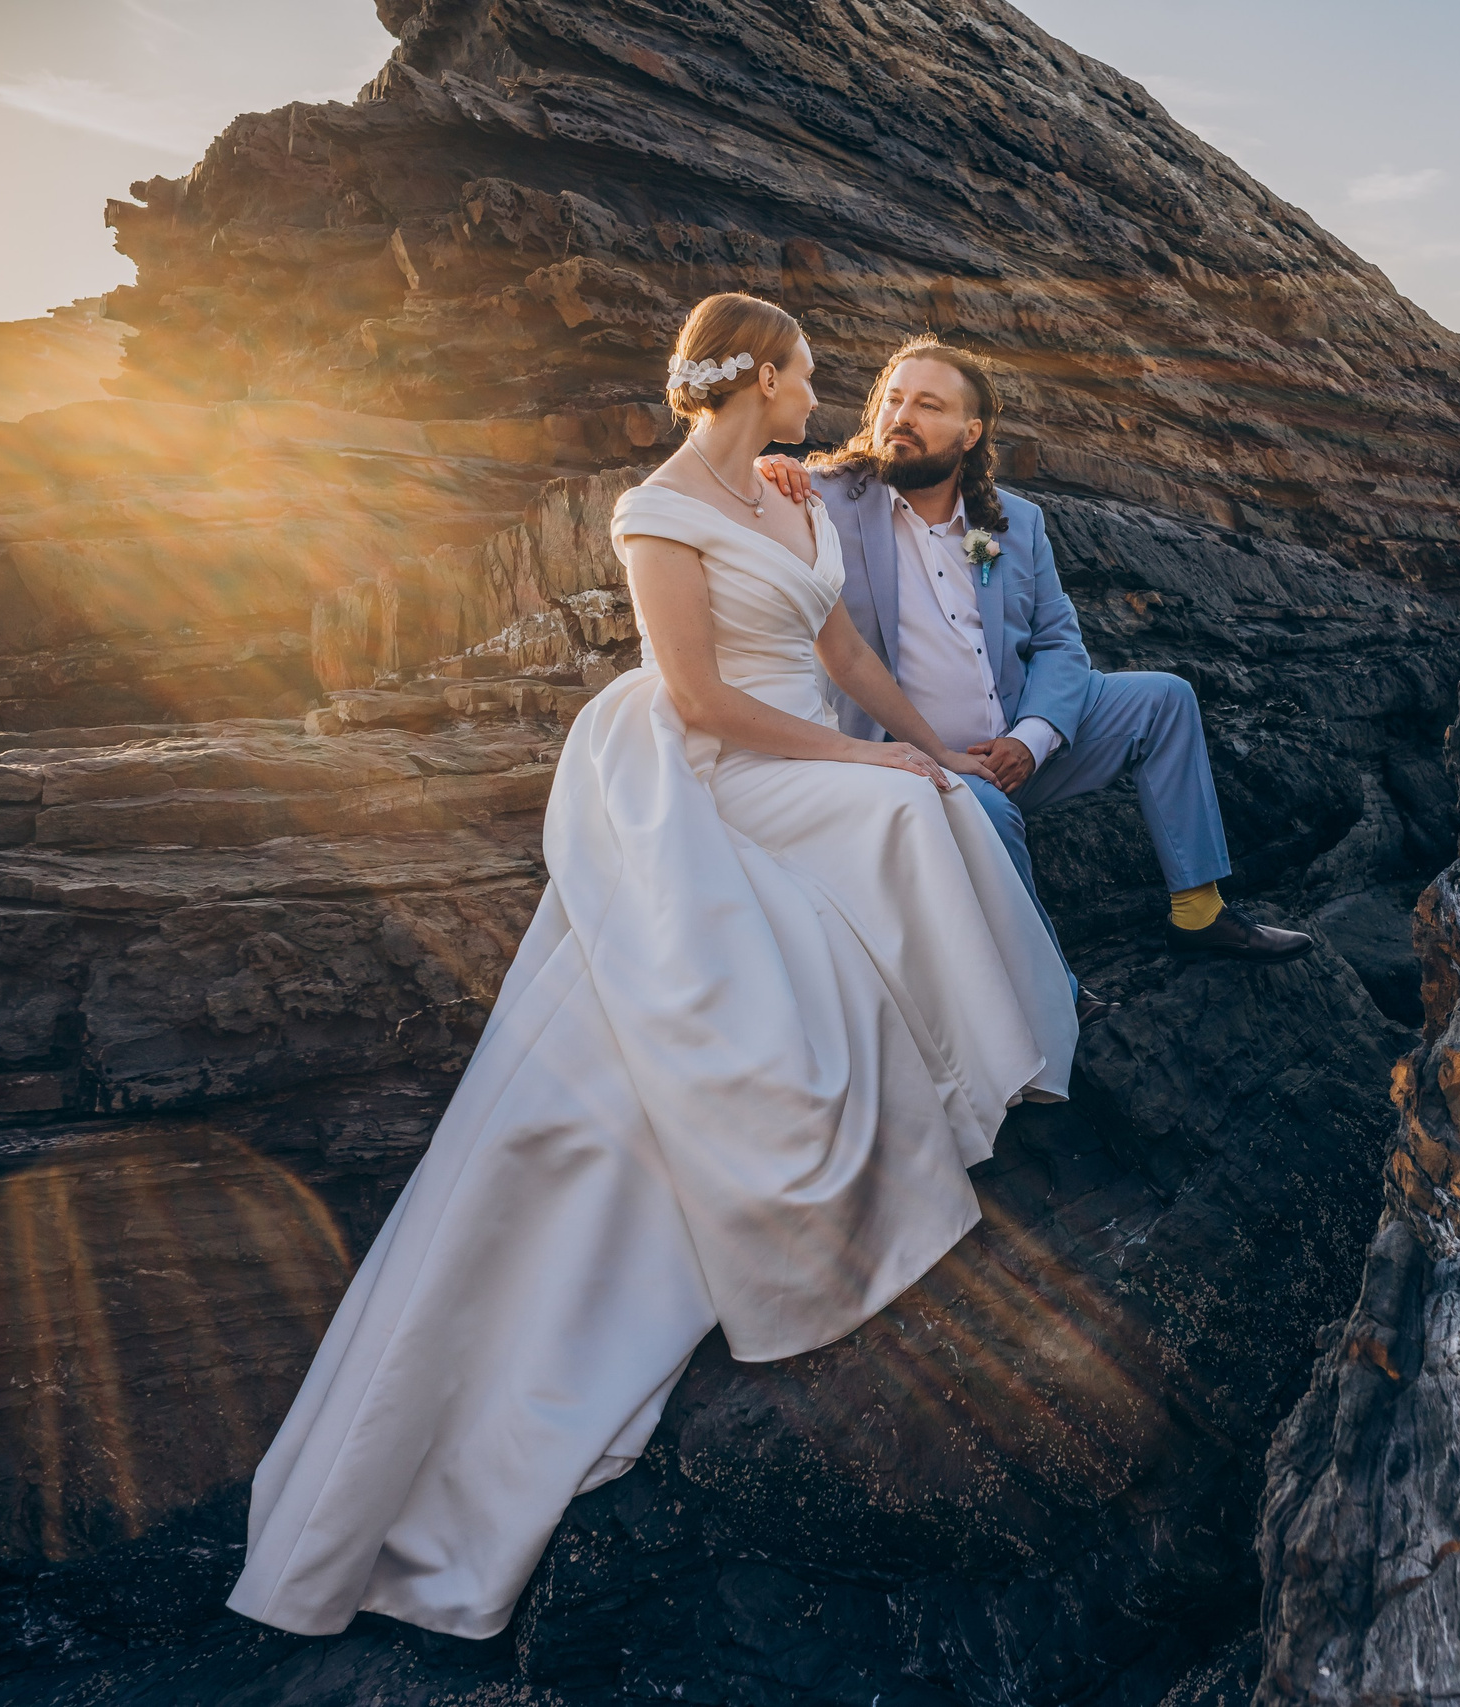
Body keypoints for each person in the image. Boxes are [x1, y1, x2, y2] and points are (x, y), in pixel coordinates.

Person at [226, 294, 1076, 1642]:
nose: (826, 398)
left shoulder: (788, 487)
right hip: (732, 770)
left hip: (817, 746)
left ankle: (965, 1071)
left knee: (938, 807)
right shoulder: (660, 511)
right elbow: (697, 698)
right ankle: (922, 1081)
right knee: (897, 819)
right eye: (808, 377)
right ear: (760, 379)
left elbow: (840, 645)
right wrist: (874, 759)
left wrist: (933, 742)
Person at [757, 335, 1313, 1015]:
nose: (901, 415)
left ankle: (1198, 911)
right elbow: (722, 483)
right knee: (987, 813)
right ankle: (1058, 993)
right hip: (912, 764)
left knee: (1166, 700)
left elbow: (1059, 642)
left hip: (1015, 738)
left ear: (971, 431)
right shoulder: (825, 499)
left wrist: (1033, 737)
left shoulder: (1017, 521)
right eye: (893, 399)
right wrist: (766, 470)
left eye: (928, 404)